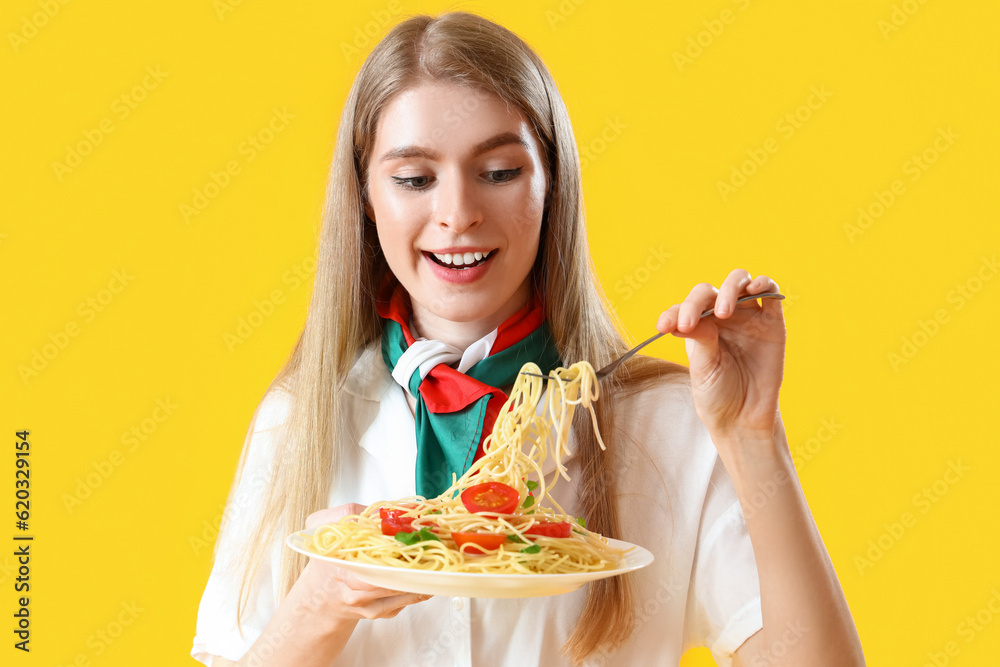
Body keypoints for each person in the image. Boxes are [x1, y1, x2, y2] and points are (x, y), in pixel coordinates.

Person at [191, 10, 865, 667]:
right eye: (414, 179)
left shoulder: (671, 421)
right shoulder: (298, 420)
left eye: (500, 171)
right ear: (365, 198)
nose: (457, 214)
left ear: (553, 185)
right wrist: (323, 599)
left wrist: (753, 434)